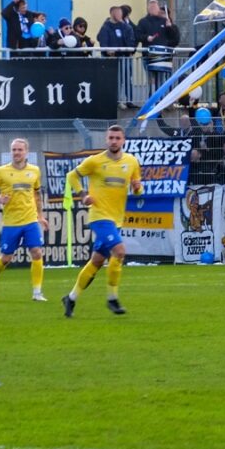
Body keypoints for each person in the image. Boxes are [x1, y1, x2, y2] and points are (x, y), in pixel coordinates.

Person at [62, 125, 143, 318]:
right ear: (106, 140)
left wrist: (137, 188)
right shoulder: (95, 161)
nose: (114, 141)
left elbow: (138, 190)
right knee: (120, 251)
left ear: (123, 140)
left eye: (117, 138)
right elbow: (71, 176)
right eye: (111, 138)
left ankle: (71, 298)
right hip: (99, 216)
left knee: (97, 261)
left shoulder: (131, 162)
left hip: (116, 219)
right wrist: (83, 195)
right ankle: (112, 298)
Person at [0, 138, 46, 302]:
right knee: (6, 258)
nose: (16, 152)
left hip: (30, 220)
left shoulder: (34, 171)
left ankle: (37, 292)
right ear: (11, 152)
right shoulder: (1, 171)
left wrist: (40, 216)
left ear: (26, 152)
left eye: (19, 149)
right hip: (11, 222)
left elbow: (37, 195)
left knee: (37, 252)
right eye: (14, 150)